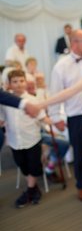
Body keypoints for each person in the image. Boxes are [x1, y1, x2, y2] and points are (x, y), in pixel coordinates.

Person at [48, 29, 82, 202]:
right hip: (75, 116)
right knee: (79, 154)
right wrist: (56, 118)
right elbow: (55, 93)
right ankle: (81, 186)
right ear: (73, 43)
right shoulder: (60, 66)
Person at [0, 69, 50, 208]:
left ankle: (29, 191)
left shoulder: (33, 100)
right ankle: (34, 189)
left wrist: (52, 122)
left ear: (25, 82)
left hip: (32, 140)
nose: (18, 84)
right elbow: (2, 120)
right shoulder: (5, 102)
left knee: (33, 166)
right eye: (14, 82)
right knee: (22, 165)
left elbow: (42, 117)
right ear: (9, 84)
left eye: (21, 81)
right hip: (14, 142)